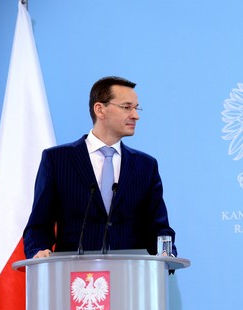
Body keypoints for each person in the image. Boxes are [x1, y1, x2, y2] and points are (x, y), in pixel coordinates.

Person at [23, 76, 177, 258]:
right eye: (127, 107)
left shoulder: (145, 165)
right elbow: (39, 225)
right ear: (100, 109)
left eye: (136, 108)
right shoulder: (57, 160)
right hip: (73, 278)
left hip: (131, 278)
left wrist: (167, 253)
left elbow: (159, 227)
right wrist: (38, 251)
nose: (136, 115)